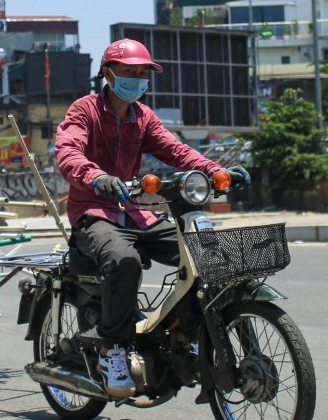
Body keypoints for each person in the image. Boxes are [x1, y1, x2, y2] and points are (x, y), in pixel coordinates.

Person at [55, 38, 250, 397]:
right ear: (108, 74)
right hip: (93, 212)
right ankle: (112, 351)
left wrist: (216, 170)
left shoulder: (143, 117)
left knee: (205, 254)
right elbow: (68, 152)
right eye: (129, 72)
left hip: (134, 212)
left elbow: (176, 150)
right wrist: (96, 177)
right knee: (125, 261)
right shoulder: (85, 110)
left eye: (143, 74)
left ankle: (189, 333)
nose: (138, 80)